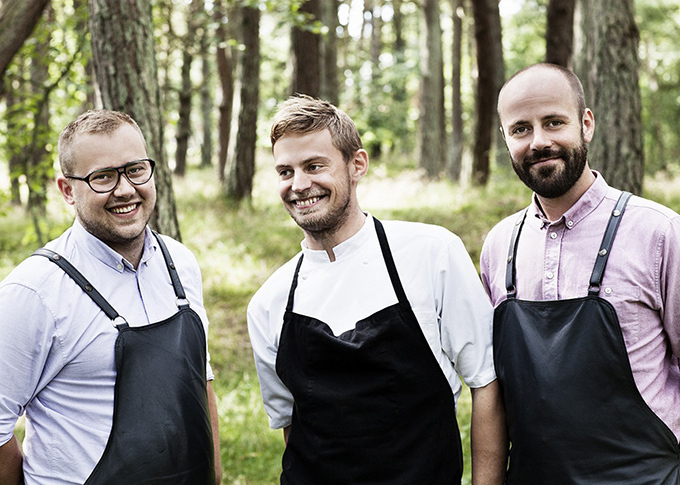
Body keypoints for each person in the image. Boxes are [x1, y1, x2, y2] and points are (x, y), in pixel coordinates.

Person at [247, 95, 507, 484]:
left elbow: (486, 383)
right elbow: (291, 426)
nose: (299, 185)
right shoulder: (269, 303)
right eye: (286, 171)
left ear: (357, 165)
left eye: (314, 166)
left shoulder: (431, 254)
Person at [481, 63, 680, 483]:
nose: (539, 141)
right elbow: (492, 391)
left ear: (585, 124)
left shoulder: (658, 232)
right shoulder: (500, 246)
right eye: (520, 129)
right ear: (505, 139)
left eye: (554, 122)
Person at [0, 110, 221, 484]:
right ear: (67, 190)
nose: (125, 189)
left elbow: (201, 381)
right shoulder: (33, 293)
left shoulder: (180, 263)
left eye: (135, 170)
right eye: (102, 177)